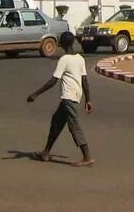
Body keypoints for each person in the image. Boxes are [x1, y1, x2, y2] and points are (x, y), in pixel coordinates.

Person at [27, 31, 94, 166]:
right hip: (74, 96)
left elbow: (53, 80)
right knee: (56, 122)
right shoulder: (80, 58)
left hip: (69, 97)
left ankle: (87, 156)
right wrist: (88, 100)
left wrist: (35, 94)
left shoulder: (64, 60)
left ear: (62, 44)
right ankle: (46, 152)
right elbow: (85, 80)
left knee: (74, 126)